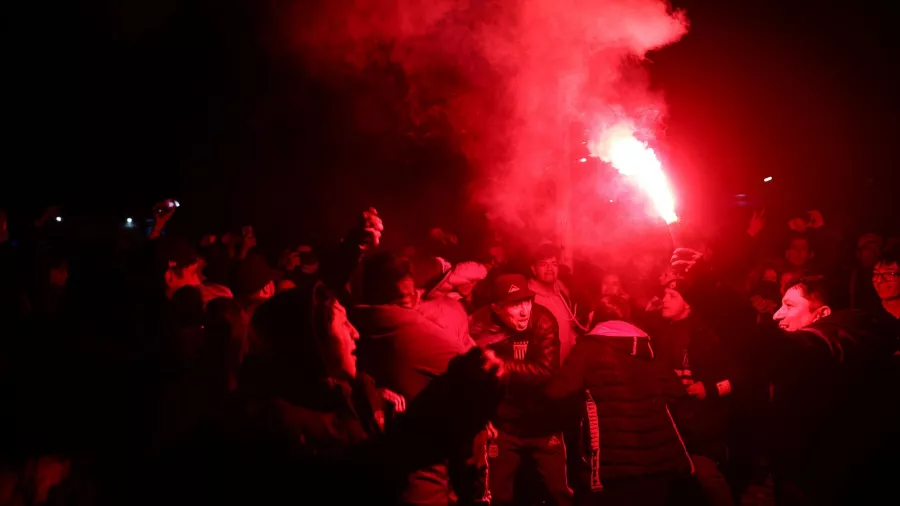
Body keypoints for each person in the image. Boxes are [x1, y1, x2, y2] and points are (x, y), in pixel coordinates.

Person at [543, 295, 694, 506]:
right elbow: (675, 392)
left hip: (611, 462)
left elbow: (557, 392)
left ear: (596, 317)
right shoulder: (647, 347)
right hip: (658, 459)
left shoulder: (588, 348)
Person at [469, 274, 571, 506]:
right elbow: (473, 377)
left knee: (558, 493)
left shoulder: (543, 320)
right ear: (497, 308)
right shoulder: (480, 325)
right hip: (503, 426)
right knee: (499, 495)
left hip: (544, 423)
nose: (525, 311)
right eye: (515, 304)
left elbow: (545, 371)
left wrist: (501, 365)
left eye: (527, 302)